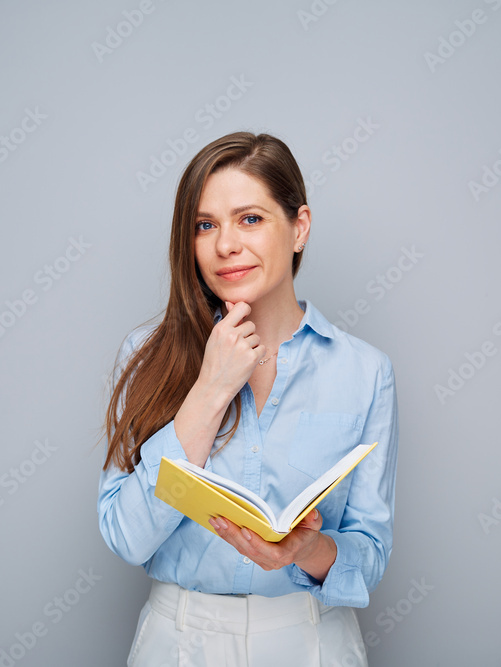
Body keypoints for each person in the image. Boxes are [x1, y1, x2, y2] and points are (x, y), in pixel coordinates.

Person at [99, 131, 398, 666]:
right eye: (205, 225)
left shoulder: (364, 372)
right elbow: (127, 535)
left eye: (251, 219)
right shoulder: (146, 356)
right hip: (180, 642)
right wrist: (211, 388)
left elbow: (369, 555)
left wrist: (309, 550)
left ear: (299, 228)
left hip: (310, 640)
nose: (225, 245)